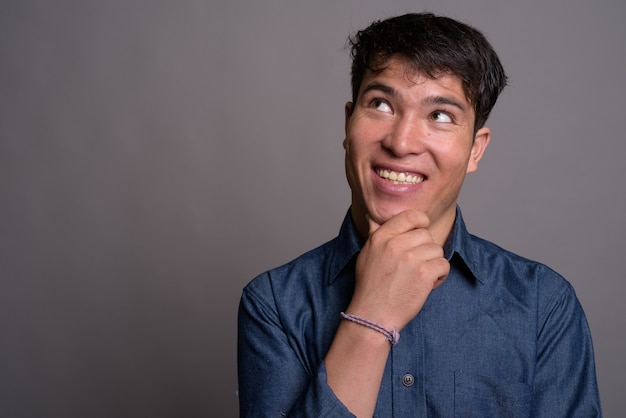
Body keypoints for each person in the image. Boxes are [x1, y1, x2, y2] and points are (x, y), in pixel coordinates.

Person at [237, 12, 601, 417]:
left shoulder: (543, 305)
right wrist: (370, 317)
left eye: (439, 115)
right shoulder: (274, 303)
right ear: (348, 122)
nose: (402, 142)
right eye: (380, 104)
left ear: (475, 149)